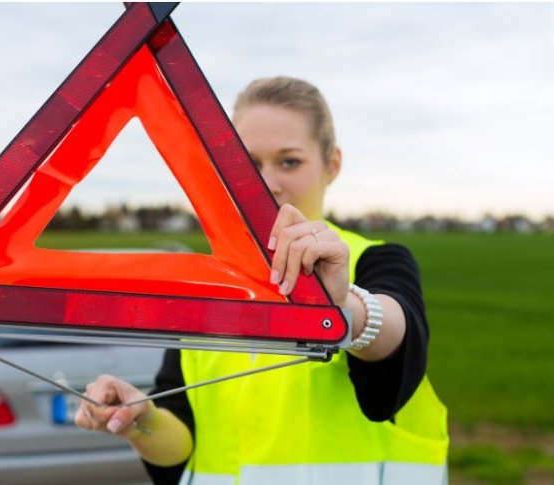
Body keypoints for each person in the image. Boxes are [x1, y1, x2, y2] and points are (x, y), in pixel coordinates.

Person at [75, 77, 449, 484]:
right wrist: (139, 420)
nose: (267, 183)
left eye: (289, 161)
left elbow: (396, 336)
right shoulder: (203, 287)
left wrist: (340, 307)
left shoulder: (372, 261)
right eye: (248, 165)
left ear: (333, 164)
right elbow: (183, 445)